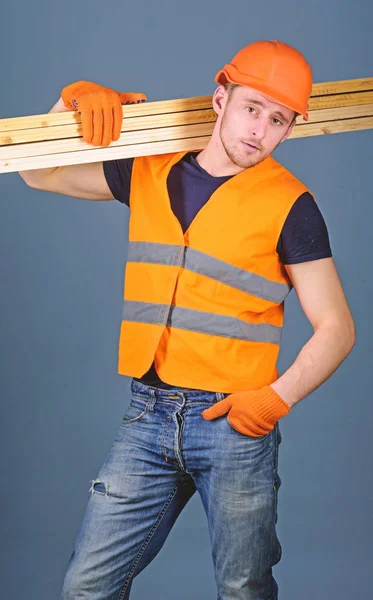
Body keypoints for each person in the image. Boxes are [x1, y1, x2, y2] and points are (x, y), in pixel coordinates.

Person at [19, 40, 355, 600]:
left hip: (234, 422)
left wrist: (277, 397)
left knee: (243, 589)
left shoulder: (291, 204)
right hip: (148, 415)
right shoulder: (149, 171)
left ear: (289, 130)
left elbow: (337, 327)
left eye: (278, 120)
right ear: (219, 98)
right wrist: (69, 104)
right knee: (86, 588)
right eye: (251, 108)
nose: (259, 130)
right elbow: (38, 174)